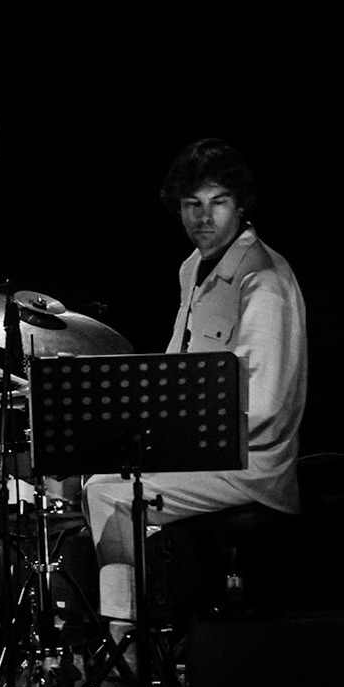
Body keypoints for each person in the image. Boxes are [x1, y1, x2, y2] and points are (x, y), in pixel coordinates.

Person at [81, 139, 308, 629]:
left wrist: (174, 438)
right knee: (91, 471)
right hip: (205, 449)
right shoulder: (193, 269)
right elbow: (176, 367)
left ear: (241, 204)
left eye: (217, 202)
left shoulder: (262, 281)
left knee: (106, 492)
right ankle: (152, 632)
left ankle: (125, 649)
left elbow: (263, 404)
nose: (203, 218)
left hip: (251, 463)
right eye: (191, 205)